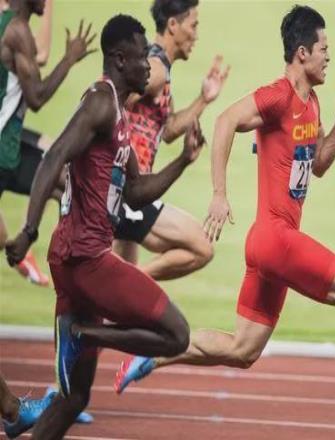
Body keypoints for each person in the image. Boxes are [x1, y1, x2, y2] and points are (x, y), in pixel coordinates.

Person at [114, 5, 335, 433]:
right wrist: (219, 194)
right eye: (323, 49)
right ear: (302, 53)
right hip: (274, 238)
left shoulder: (312, 103)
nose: (329, 56)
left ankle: (152, 353)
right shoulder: (277, 96)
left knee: (242, 350)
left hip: (273, 245)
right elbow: (225, 121)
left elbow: (319, 165)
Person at [6, 13, 205, 439]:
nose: (149, 66)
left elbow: (135, 192)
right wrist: (28, 230)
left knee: (74, 398)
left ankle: (84, 335)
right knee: (177, 335)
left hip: (78, 259)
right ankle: (84, 334)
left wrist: (183, 161)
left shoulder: (118, 114)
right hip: (86, 259)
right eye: (142, 57)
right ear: (119, 59)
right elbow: (52, 157)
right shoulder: (99, 101)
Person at [113, 0, 229, 281]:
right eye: (193, 25)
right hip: (125, 187)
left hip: (132, 189)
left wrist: (203, 100)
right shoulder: (155, 68)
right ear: (173, 25)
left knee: (115, 298)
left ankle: (126, 282)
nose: (196, 35)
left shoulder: (158, 65)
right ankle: (132, 280)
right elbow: (112, 99)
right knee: (202, 247)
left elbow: (166, 130)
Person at [0, 0, 94, 286]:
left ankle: (72, 267)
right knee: (64, 180)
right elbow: (37, 97)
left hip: (9, 147)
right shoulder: (17, 30)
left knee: (62, 180)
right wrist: (69, 58)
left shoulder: (9, 24)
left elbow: (35, 58)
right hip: (3, 152)